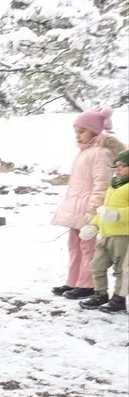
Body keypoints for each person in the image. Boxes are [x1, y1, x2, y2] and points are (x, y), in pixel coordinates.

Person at [51, 108, 122, 300]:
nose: (78, 136)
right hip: (75, 207)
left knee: (88, 248)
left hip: (88, 210)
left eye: (82, 131)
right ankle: (73, 281)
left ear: (94, 130)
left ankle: (87, 285)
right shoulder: (85, 152)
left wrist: (93, 210)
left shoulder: (101, 153)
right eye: (76, 132)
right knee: (74, 245)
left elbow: (102, 184)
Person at [78, 149, 129, 313]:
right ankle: (100, 294)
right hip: (106, 235)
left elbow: (114, 213)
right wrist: (93, 225)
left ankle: (118, 300)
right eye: (117, 165)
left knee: (121, 269)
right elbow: (104, 211)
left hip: (123, 236)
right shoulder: (113, 186)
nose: (118, 169)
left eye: (123, 165)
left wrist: (117, 214)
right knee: (96, 265)